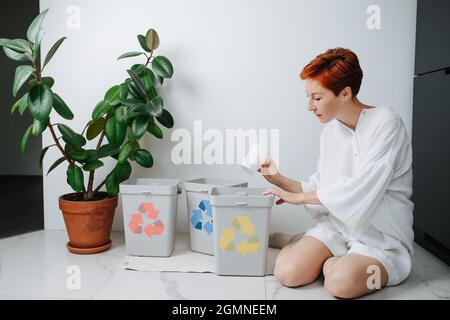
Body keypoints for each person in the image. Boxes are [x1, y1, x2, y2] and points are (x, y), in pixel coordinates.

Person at [261, 47, 414, 299]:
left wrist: (299, 198)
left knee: (340, 285)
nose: (309, 106)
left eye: (317, 98)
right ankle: (311, 248)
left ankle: (331, 262)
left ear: (345, 93)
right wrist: (279, 179)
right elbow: (322, 185)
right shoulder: (331, 131)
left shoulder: (387, 123)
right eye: (308, 97)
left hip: (379, 238)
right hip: (337, 228)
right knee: (288, 273)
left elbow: (363, 188)